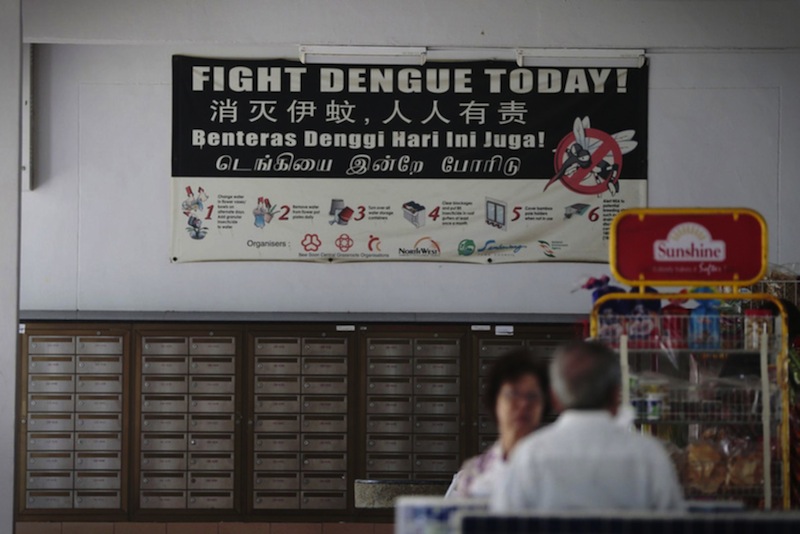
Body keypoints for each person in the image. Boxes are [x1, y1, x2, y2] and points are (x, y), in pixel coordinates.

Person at [491, 339, 685, 512]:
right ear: (615, 396)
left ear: (554, 398)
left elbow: (503, 524)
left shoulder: (529, 456)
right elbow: (674, 524)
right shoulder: (649, 456)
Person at [446, 348, 550, 498]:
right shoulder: (474, 475)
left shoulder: (557, 470)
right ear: (495, 401)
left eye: (532, 396)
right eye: (513, 394)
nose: (523, 404)